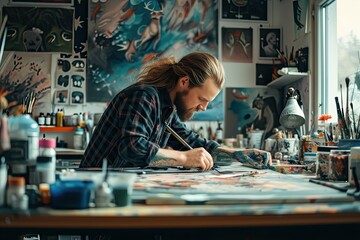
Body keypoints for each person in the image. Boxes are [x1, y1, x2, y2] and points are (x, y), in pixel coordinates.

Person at [79, 52, 271, 170]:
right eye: (202, 99)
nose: (203, 107)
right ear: (184, 82)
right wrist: (184, 158)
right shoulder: (144, 96)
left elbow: (191, 142)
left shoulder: (167, 109)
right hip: (96, 191)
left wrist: (238, 155)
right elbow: (132, 147)